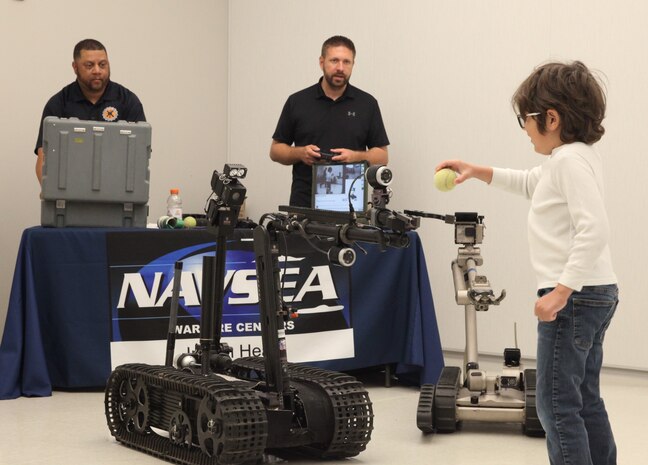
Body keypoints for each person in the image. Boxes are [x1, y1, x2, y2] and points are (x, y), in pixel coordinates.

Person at [437, 61, 618, 465]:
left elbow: (595, 229)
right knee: (584, 399)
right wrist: (475, 170)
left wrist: (561, 291)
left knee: (555, 406)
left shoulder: (569, 162)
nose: (524, 128)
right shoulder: (574, 158)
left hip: (574, 298)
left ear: (551, 118)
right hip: (596, 293)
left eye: (527, 119)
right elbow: (529, 182)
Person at [270, 35, 389, 207]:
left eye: (346, 62)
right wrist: (300, 153)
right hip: (304, 207)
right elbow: (275, 151)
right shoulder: (297, 101)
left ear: (353, 64)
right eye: (334, 60)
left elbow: (383, 156)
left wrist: (355, 156)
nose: (340, 68)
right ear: (321, 62)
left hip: (351, 208)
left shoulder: (367, 104)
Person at [34, 38, 146, 184]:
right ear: (75, 67)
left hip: (117, 194)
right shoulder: (58, 104)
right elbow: (43, 161)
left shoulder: (127, 101)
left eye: (102, 64)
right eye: (89, 65)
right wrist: (51, 193)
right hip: (69, 194)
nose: (97, 71)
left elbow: (141, 157)